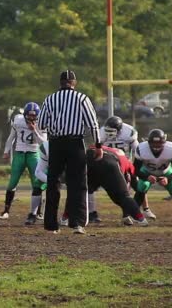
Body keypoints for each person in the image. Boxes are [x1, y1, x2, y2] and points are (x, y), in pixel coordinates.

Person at [37, 69, 102, 234]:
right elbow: (92, 124)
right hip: (75, 143)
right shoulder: (81, 98)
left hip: (56, 143)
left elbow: (41, 124)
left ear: (60, 83)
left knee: (53, 183)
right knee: (78, 183)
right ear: (74, 83)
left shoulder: (50, 99)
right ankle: (77, 223)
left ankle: (51, 226)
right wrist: (98, 145)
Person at [98, 116, 155, 221]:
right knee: (124, 191)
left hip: (126, 163)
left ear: (119, 130)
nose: (109, 133)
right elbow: (98, 148)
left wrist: (139, 163)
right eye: (107, 130)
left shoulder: (128, 132)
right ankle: (127, 215)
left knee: (139, 186)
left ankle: (146, 209)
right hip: (111, 166)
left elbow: (137, 150)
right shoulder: (101, 132)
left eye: (112, 131)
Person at [0, 102, 47, 224]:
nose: (31, 118)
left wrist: (35, 130)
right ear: (25, 114)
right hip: (19, 153)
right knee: (12, 182)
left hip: (34, 154)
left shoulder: (42, 123)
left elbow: (44, 143)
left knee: (37, 183)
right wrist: (6, 151)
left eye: (34, 116)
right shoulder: (18, 120)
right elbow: (11, 137)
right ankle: (6, 211)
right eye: (29, 115)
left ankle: (38, 212)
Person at [133, 129, 172, 223]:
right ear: (148, 142)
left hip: (166, 171)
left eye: (159, 143)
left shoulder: (171, 149)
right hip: (147, 171)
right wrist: (146, 177)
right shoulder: (142, 149)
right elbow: (135, 169)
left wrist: (168, 178)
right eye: (154, 144)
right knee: (141, 187)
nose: (156, 146)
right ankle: (134, 214)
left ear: (164, 142)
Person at [86, 145, 148, 226]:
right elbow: (134, 182)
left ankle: (85, 215)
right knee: (123, 196)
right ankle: (141, 218)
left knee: (84, 190)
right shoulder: (127, 162)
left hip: (89, 159)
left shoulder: (106, 148)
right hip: (109, 164)